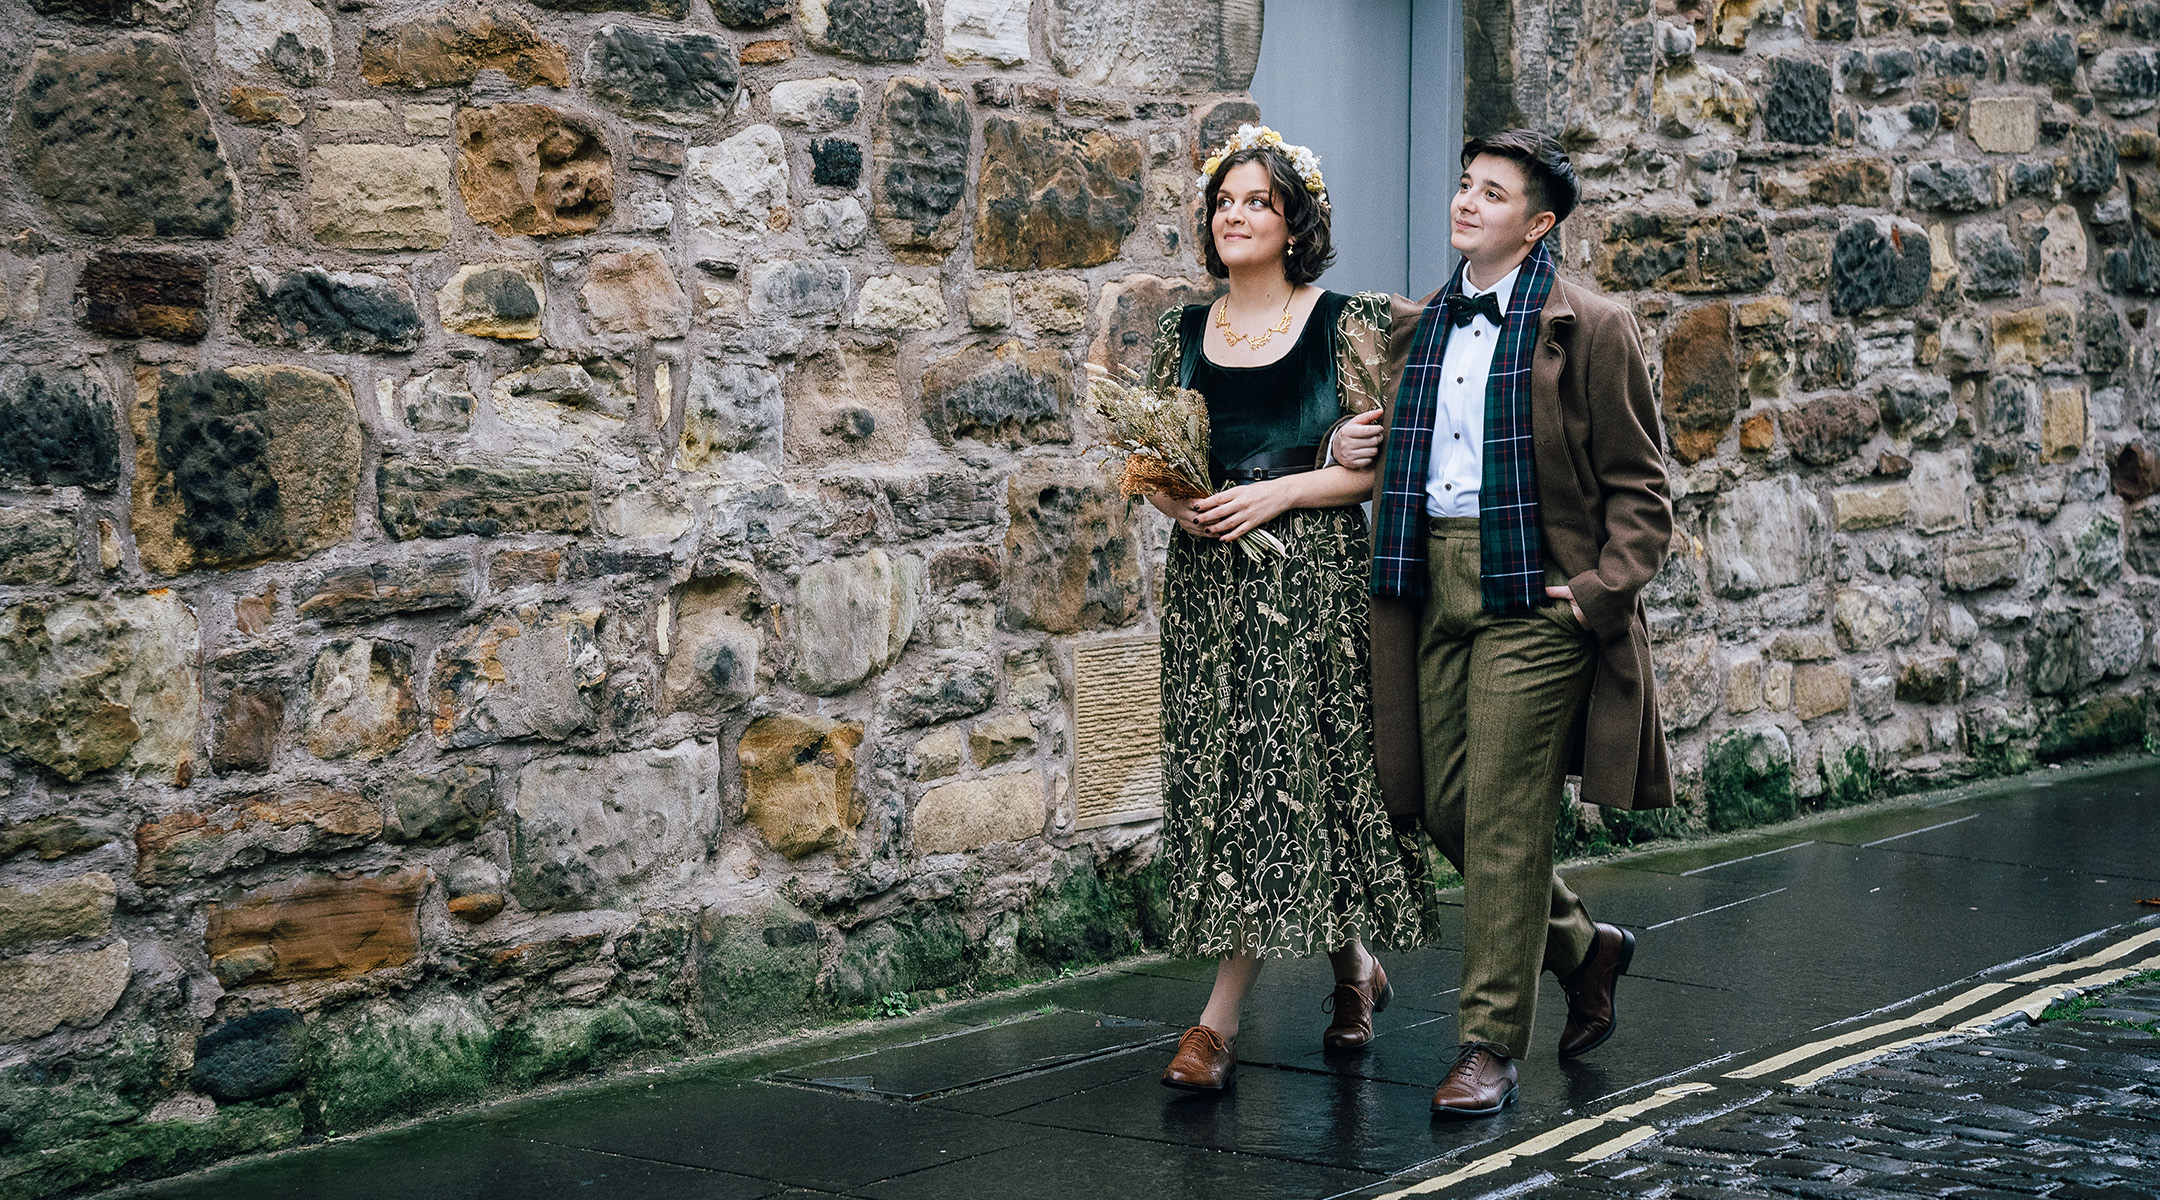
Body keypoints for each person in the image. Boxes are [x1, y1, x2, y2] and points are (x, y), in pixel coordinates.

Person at [1330, 129, 1675, 1117]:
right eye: (1464, 184)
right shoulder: (1423, 327)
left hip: (1536, 596)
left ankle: (1488, 1044)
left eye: (1493, 192)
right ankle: (1584, 947)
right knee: (1442, 802)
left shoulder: (1592, 326)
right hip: (1428, 582)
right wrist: (1349, 440)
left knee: (1508, 815)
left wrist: (1600, 589)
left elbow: (1643, 493)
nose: (1466, 202)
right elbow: (1393, 452)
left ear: (1538, 223)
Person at [1144, 126, 1440, 1093]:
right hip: (1209, 591)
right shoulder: (1180, 334)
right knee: (1265, 780)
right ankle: (1355, 972)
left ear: (1295, 222)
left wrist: (1287, 489)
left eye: (1258, 202)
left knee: (1277, 778)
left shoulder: (1349, 323)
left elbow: (1377, 468)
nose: (1236, 214)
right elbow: (1151, 462)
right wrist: (1181, 504)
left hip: (1308, 583)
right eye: (1225, 201)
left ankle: (1215, 1025)